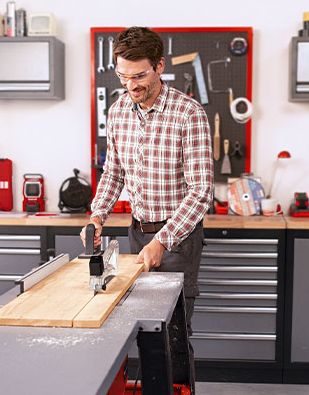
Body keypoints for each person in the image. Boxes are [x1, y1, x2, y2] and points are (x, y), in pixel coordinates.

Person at [80, 26, 213, 389]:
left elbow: (202, 192)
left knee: (173, 334)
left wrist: (164, 240)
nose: (131, 85)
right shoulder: (119, 110)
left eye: (139, 76)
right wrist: (97, 215)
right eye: (123, 76)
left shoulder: (189, 114)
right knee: (139, 326)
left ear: (159, 66)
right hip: (137, 234)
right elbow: (114, 172)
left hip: (177, 239)